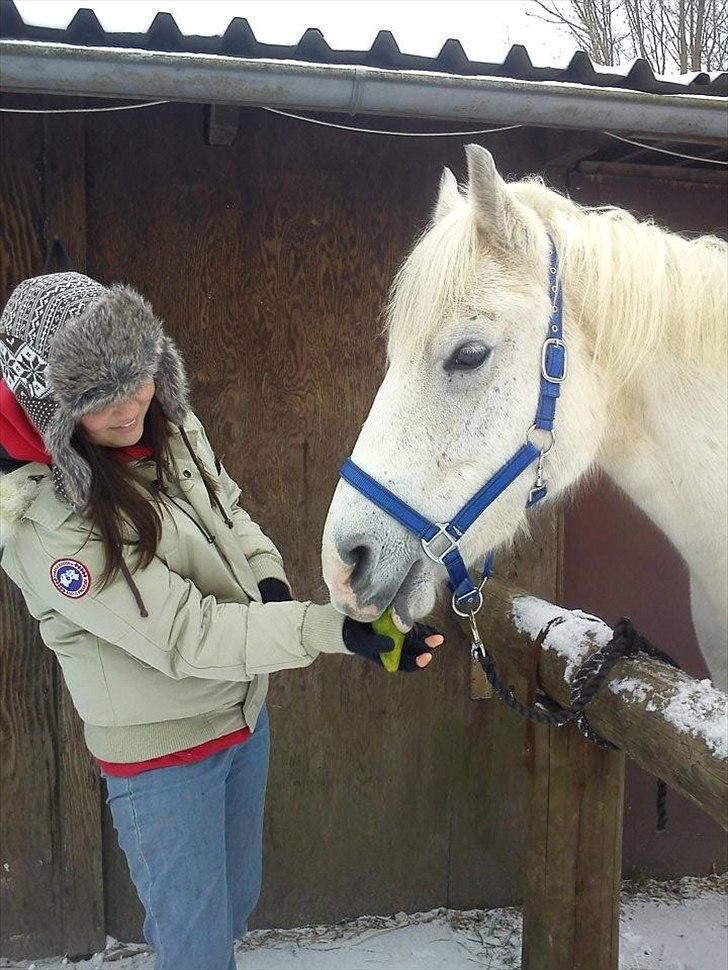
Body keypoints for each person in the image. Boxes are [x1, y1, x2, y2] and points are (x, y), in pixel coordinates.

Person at [0, 272, 444, 970]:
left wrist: (268, 585)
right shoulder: (45, 523)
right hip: (163, 755)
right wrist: (333, 631)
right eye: (99, 399)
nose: (129, 407)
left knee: (232, 904)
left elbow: (227, 512)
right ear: (54, 411)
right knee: (197, 948)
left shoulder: (164, 421)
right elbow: (185, 634)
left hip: (241, 713)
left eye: (138, 377)